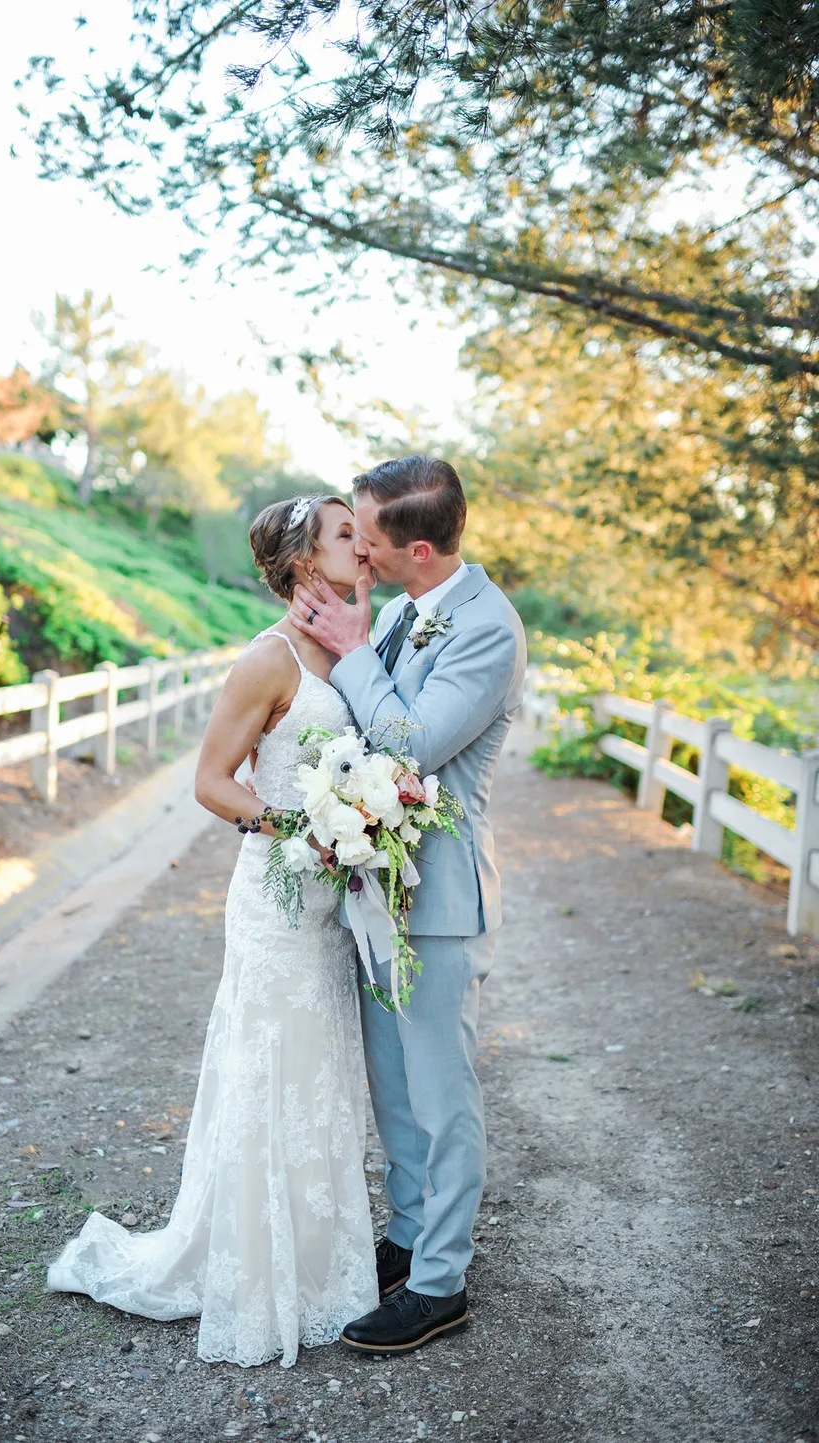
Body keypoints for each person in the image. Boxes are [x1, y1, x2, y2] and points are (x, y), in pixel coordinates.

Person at [46, 495, 380, 1369]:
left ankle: (318, 1265)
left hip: (324, 904)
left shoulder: (343, 650)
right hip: (274, 898)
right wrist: (295, 826)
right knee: (270, 1069)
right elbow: (209, 780)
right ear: (307, 562)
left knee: (318, 1073)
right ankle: (254, 1269)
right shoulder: (267, 659)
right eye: (347, 533)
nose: (364, 543)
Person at [288, 455, 526, 1355]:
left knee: (441, 1091)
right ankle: (409, 1231)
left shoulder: (487, 628)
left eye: (370, 534)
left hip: (439, 898)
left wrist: (351, 657)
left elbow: (413, 743)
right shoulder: (395, 610)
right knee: (394, 1086)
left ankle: (441, 1282)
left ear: (418, 547)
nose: (362, 549)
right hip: (375, 881)